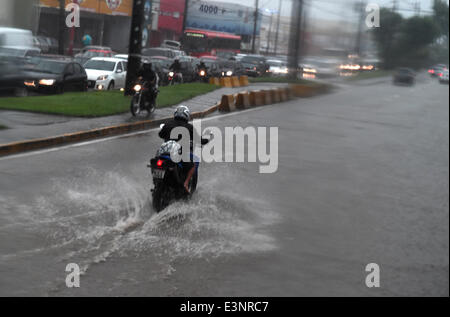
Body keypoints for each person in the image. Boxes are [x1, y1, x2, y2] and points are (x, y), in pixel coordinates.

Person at [159, 105, 208, 193]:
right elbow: (199, 140)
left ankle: (158, 184)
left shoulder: (168, 124)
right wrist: (206, 140)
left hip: (164, 153)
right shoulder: (189, 127)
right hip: (178, 153)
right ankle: (186, 183)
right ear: (186, 115)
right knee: (194, 163)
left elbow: (161, 134)